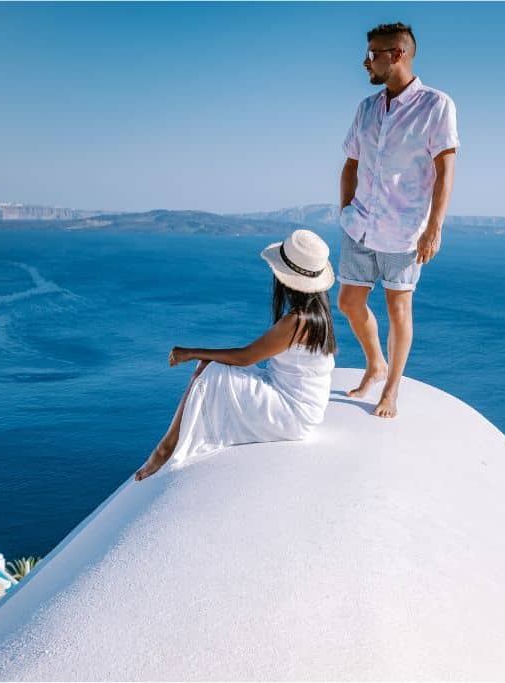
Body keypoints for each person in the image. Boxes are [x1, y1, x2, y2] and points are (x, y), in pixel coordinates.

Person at [134, 230, 337, 481]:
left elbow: (246, 357)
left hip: (292, 413)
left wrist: (189, 353)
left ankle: (165, 448)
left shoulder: (298, 320)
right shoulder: (317, 312)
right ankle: (170, 444)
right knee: (213, 368)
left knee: (209, 373)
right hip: (298, 404)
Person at [338, 22, 459, 418]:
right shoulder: (367, 108)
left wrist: (434, 227)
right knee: (348, 302)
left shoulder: (436, 105)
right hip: (360, 225)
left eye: (373, 54)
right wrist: (345, 211)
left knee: (398, 310)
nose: (365, 62)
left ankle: (390, 391)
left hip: (403, 232)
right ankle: (376, 363)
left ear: (397, 55)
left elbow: (445, 170)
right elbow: (351, 164)